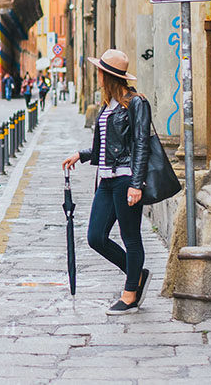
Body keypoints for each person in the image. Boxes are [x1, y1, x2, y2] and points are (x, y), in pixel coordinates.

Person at [62, 49, 152, 315]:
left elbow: (140, 145)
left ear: (109, 75)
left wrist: (137, 183)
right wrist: (82, 154)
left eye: (100, 71)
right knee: (96, 237)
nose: (97, 75)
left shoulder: (136, 103)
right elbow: (104, 147)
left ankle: (129, 295)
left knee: (130, 237)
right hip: (106, 180)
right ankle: (135, 275)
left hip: (126, 179)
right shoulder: (108, 105)